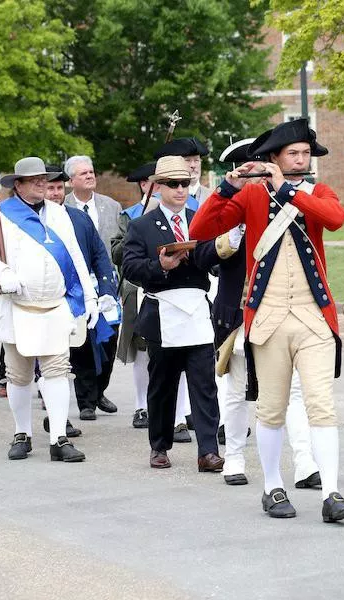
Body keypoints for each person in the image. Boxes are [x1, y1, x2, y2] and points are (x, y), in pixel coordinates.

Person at [190, 118, 344, 523]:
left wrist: (287, 189)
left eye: (304, 154)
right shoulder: (251, 196)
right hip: (266, 317)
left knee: (321, 405)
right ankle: (272, 487)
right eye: (292, 154)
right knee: (271, 408)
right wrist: (228, 186)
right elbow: (201, 229)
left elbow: (333, 218)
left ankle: (332, 492)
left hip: (313, 316)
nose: (301, 160)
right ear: (274, 158)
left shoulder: (318, 192)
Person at [0, 157, 99, 463]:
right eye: (36, 180)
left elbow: (75, 256)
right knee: (18, 374)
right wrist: (2, 274)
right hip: (18, 306)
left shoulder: (58, 213)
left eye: (45, 179)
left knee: (57, 371)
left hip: (55, 305)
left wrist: (90, 297)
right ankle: (22, 433)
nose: (43, 185)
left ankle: (58, 438)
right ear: (19, 185)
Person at [122, 156, 224, 472]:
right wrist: (159, 267)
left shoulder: (202, 219)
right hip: (162, 311)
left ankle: (208, 450)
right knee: (163, 386)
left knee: (204, 385)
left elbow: (216, 258)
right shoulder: (141, 225)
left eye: (185, 183)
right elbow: (129, 266)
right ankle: (159, 445)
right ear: (159, 187)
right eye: (174, 184)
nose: (181, 190)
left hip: (196, 309)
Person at [46, 164, 117, 432]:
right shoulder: (35, 223)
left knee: (107, 344)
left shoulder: (79, 218)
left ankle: (98, 392)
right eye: (49, 188)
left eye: (57, 188)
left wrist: (108, 290)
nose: (54, 193)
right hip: (55, 297)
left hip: (86, 290)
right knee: (75, 352)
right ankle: (84, 402)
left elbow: (99, 254)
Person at [64, 155, 122, 415]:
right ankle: (86, 401)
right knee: (84, 343)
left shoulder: (112, 206)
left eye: (91, 171)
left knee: (109, 339)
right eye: (83, 173)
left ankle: (100, 391)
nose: (90, 176)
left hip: (108, 283)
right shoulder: (61, 207)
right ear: (70, 181)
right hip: (77, 286)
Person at [111, 162, 156, 429]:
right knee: (141, 350)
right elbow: (117, 253)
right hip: (137, 288)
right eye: (158, 183)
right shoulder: (129, 216)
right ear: (144, 185)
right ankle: (141, 405)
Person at [153, 137, 212, 207]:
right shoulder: (158, 201)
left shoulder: (212, 196)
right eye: (187, 160)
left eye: (196, 160)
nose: (193, 165)